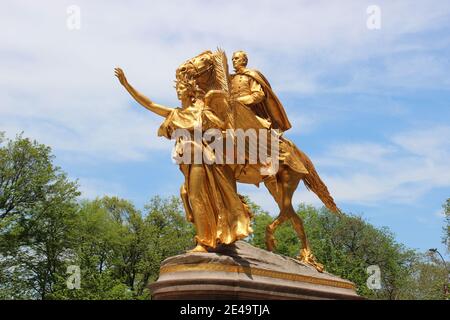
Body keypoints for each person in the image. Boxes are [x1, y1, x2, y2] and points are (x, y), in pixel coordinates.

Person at [114, 67, 253, 253]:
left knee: (195, 195)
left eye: (181, 88)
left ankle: (204, 242)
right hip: (187, 161)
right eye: (177, 89)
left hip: (202, 158)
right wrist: (126, 85)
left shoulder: (202, 110)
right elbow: (150, 104)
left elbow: (222, 126)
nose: (178, 92)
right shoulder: (176, 113)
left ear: (190, 91)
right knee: (191, 194)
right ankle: (208, 236)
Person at [230, 51, 292, 132]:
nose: (234, 60)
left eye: (236, 58)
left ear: (244, 61)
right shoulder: (231, 78)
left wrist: (239, 101)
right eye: (232, 59)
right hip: (232, 110)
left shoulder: (251, 75)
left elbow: (259, 95)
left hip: (249, 111)